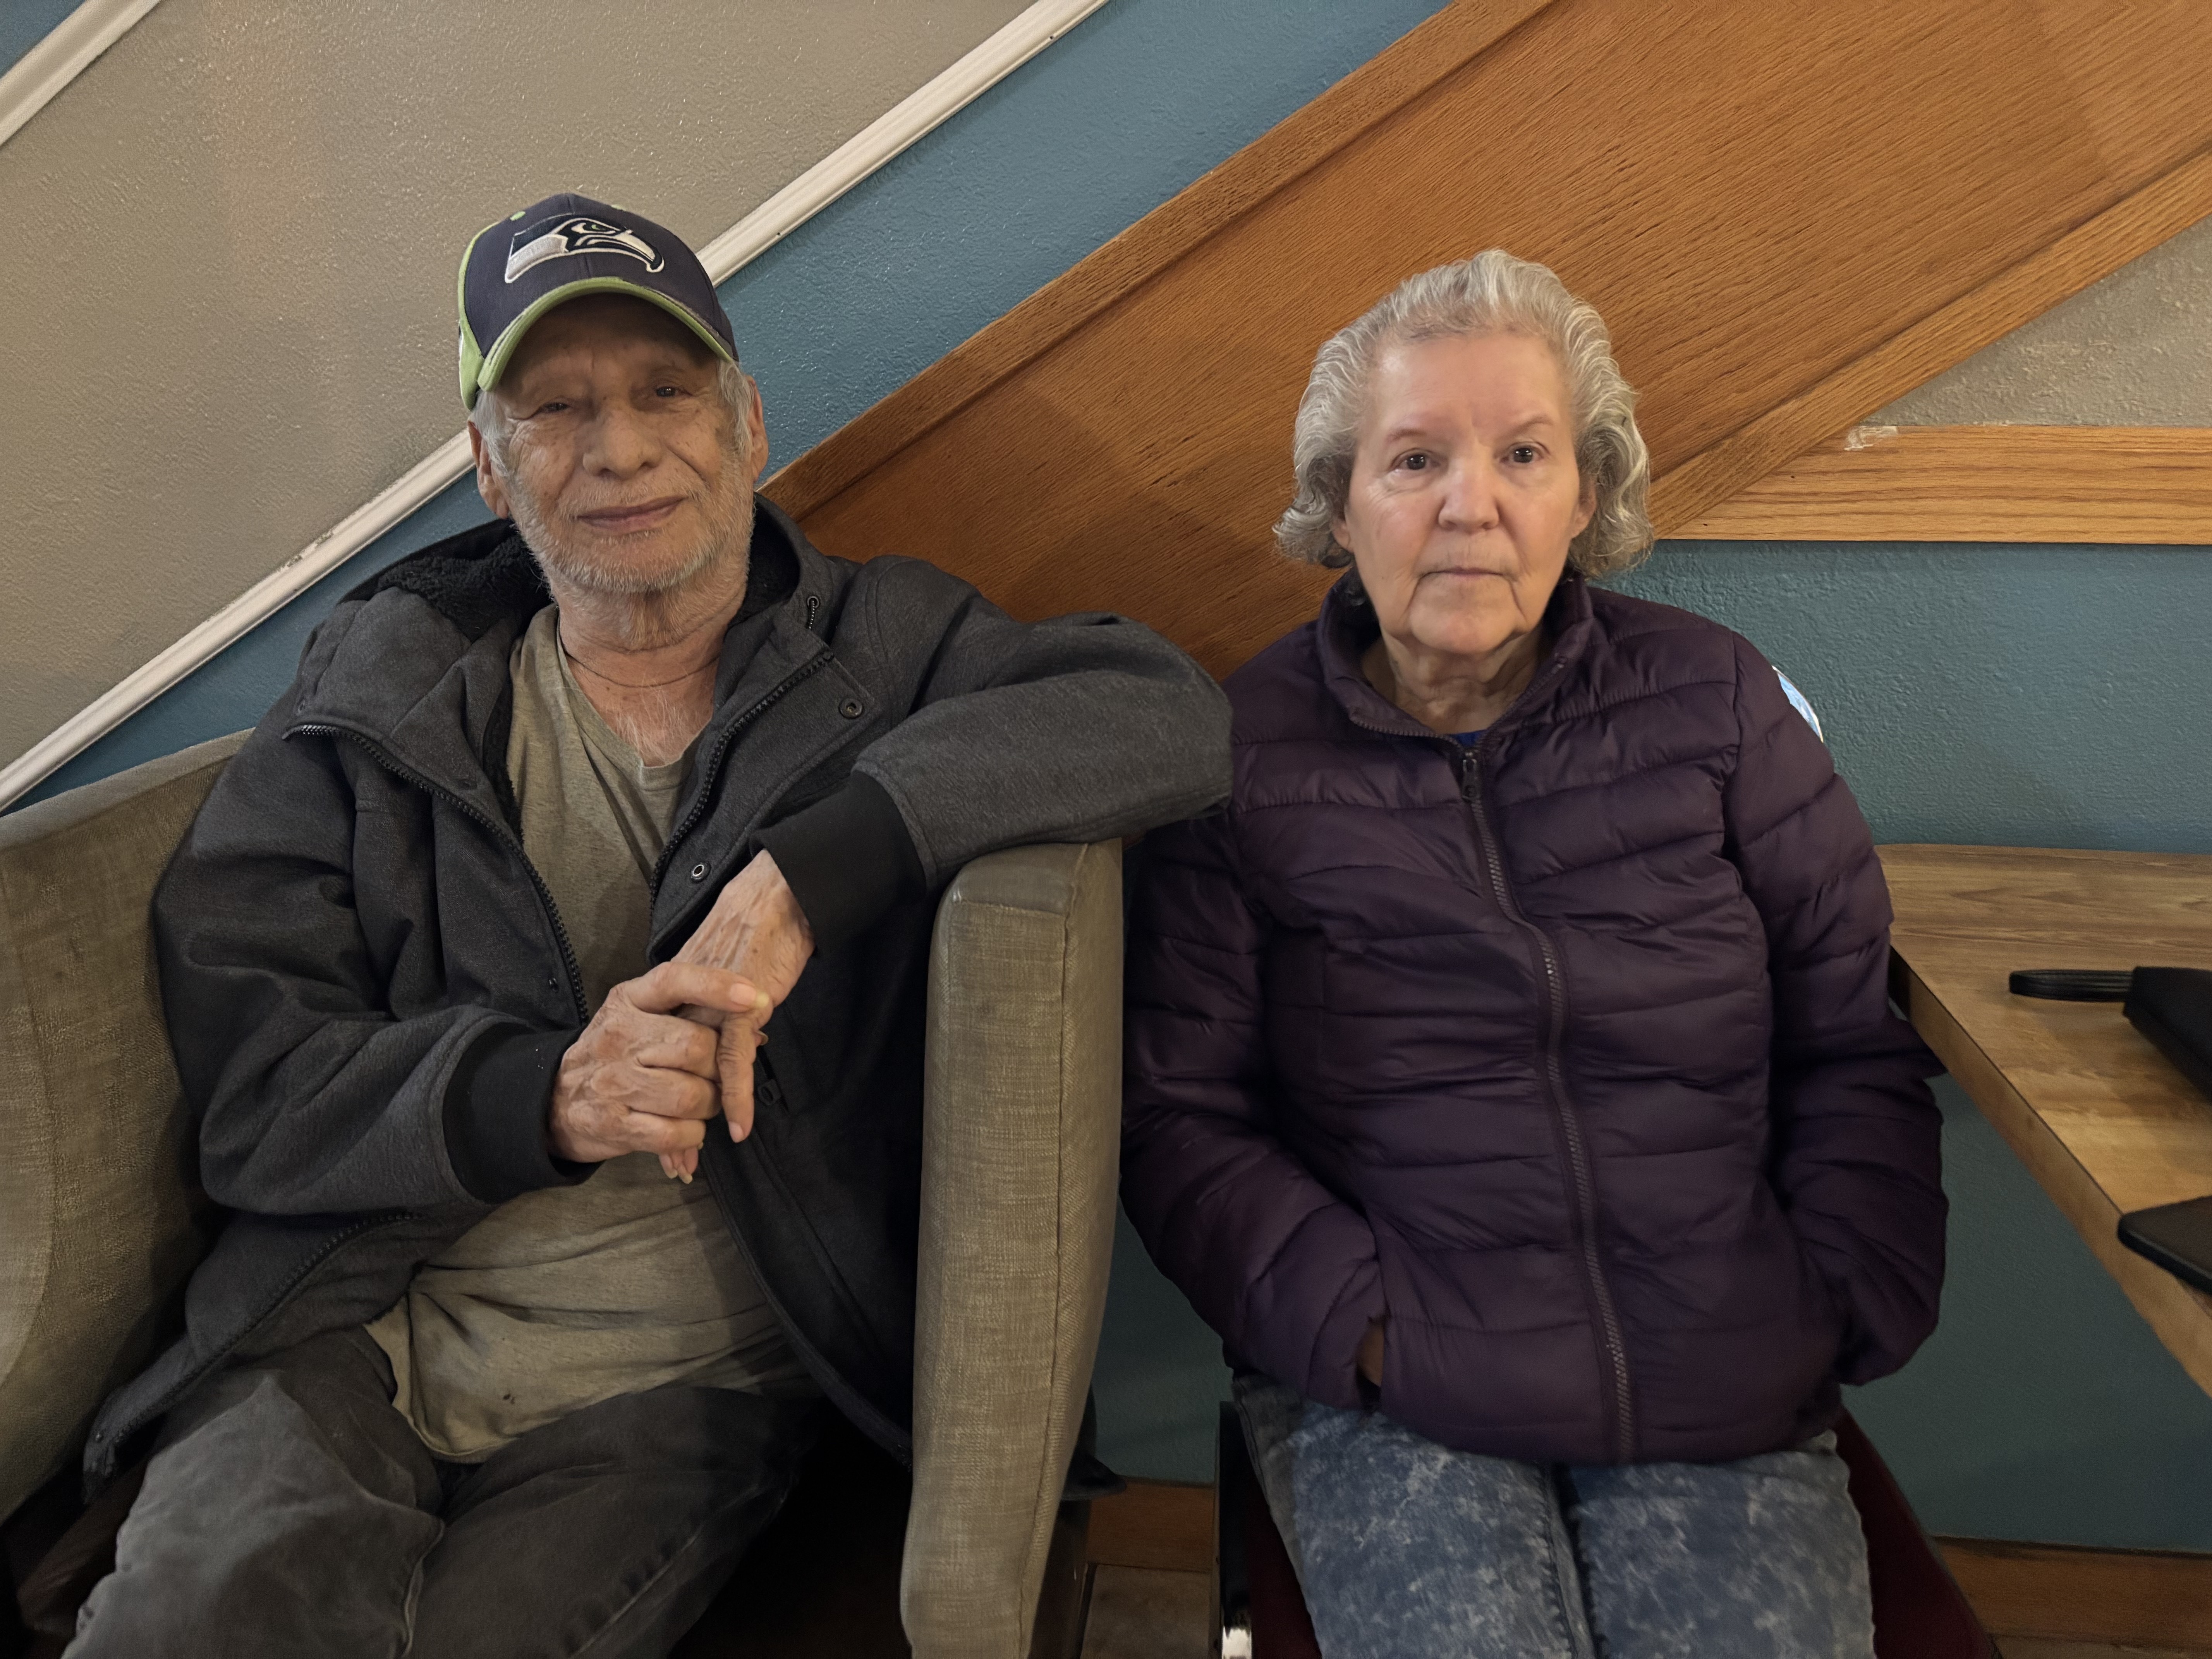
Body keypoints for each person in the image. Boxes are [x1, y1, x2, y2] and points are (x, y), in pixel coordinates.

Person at [67, 192, 1230, 1658]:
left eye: (664, 390)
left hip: (683, 1384)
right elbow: (257, 1098)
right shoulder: (367, 704)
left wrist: (819, 869)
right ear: (490, 469)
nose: (620, 448)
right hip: (346, 1336)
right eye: (555, 409)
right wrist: (539, 1094)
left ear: (746, 424)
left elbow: (1166, 714)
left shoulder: (887, 649)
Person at [1120, 251, 1944, 1658]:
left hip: (1725, 1367)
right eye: (1414, 457)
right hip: (1395, 1381)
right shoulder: (1236, 757)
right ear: (1338, 503)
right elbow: (1180, 1118)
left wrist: (1834, 1299)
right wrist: (1362, 1329)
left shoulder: (1719, 704)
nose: (1471, 503)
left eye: (1521, 452)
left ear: (1588, 491)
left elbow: (1850, 1039)